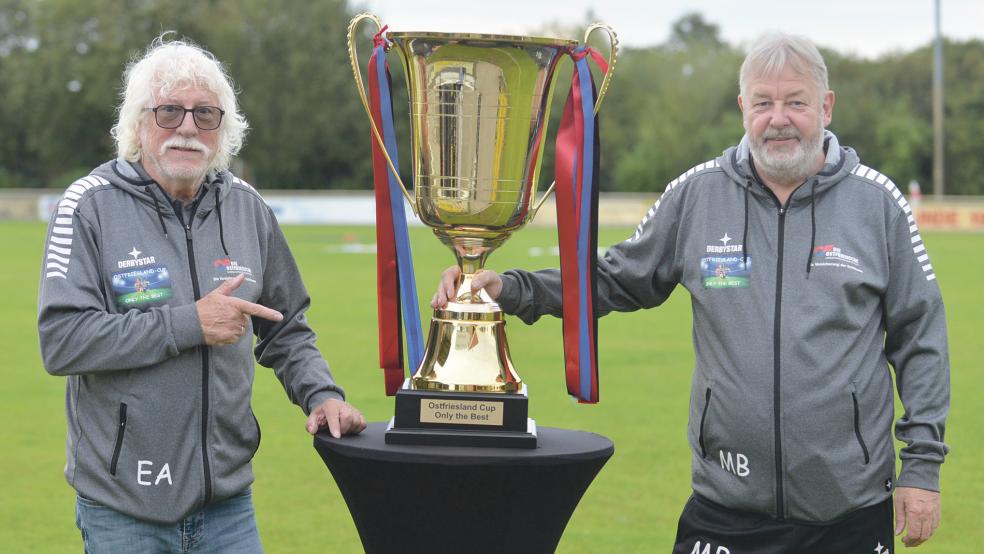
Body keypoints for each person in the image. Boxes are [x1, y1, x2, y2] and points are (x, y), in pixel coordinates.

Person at [433, 32, 949, 552]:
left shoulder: (877, 205)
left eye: (796, 102)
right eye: (764, 103)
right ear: (743, 106)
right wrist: (513, 287)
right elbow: (614, 276)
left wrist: (922, 468)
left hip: (849, 513)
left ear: (826, 107)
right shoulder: (698, 195)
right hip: (726, 508)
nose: (779, 118)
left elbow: (920, 338)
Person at [38, 37, 366, 552]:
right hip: (125, 509)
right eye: (169, 112)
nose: (187, 127)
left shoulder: (248, 209)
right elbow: (61, 340)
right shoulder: (88, 207)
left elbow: (287, 326)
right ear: (139, 124)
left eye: (205, 114)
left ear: (223, 130)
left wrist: (320, 393)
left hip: (227, 505)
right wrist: (190, 323)